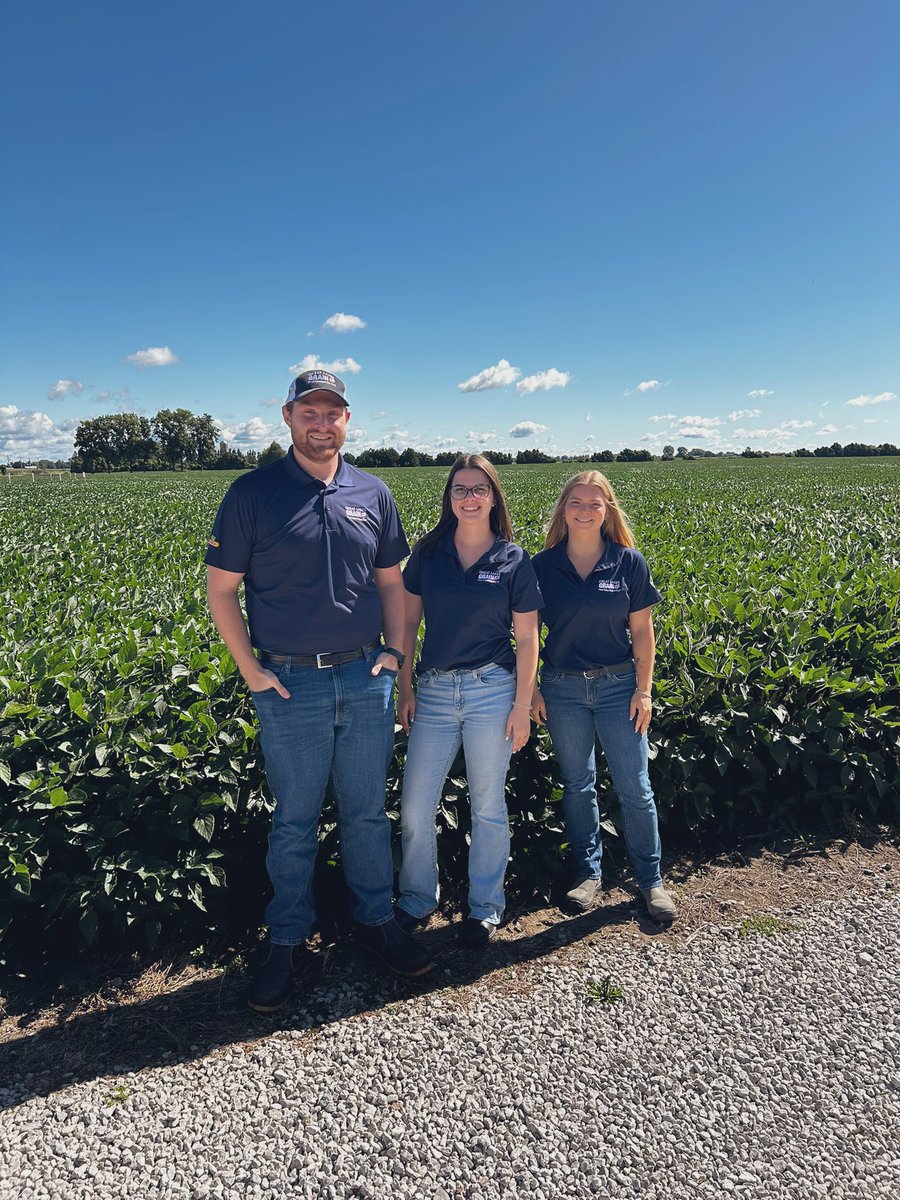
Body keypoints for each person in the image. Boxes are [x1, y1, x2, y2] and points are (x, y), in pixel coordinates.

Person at [205, 367, 433, 1013]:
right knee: (296, 819)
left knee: (364, 812)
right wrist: (251, 669)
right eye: (310, 411)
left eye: (332, 412)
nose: (321, 422)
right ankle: (285, 938)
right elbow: (222, 591)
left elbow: (392, 581)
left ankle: (373, 920)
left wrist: (395, 654)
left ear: (347, 421)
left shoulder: (373, 492)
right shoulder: (253, 493)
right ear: (287, 417)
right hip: (290, 683)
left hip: (365, 678)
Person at [394, 454, 542, 946]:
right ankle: (417, 898)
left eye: (479, 489)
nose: (470, 497)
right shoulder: (428, 554)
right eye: (460, 489)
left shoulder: (512, 559)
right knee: (415, 806)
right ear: (449, 498)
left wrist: (521, 705)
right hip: (434, 692)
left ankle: (485, 908)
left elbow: (527, 638)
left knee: (487, 805)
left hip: (492, 691)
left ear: (494, 496)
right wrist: (406, 687)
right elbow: (408, 624)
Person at [530, 471, 676, 924]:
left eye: (596, 503)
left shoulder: (629, 563)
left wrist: (644, 690)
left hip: (619, 688)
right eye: (577, 501)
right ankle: (588, 874)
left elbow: (642, 632)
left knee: (635, 786)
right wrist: (531, 685)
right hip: (563, 688)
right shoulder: (542, 566)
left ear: (608, 510)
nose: (586, 510)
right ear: (563, 508)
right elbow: (528, 632)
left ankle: (651, 881)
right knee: (577, 784)